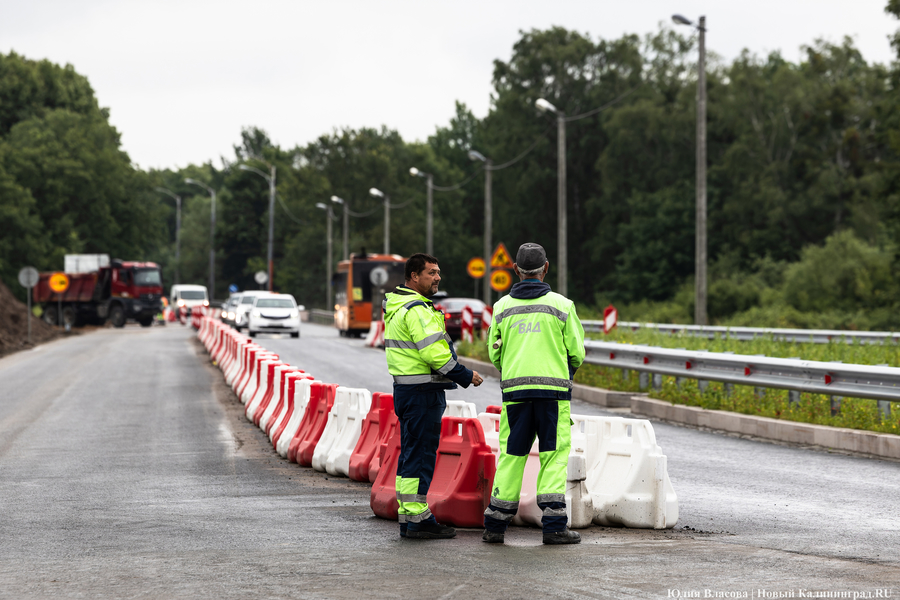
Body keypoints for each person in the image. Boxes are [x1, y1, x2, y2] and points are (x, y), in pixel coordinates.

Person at [482, 243, 585, 545]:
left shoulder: (501, 308)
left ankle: (495, 526)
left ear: (515, 269)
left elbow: (494, 353)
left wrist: (514, 370)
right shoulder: (562, 305)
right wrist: (563, 371)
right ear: (546, 268)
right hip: (553, 396)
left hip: (515, 395)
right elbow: (577, 352)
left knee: (512, 456)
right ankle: (553, 527)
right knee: (553, 456)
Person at [383, 253, 484, 539]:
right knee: (421, 456)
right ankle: (418, 519)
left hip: (408, 390)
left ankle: (409, 515)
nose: (438, 277)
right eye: (431, 272)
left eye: (438, 272)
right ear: (414, 276)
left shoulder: (399, 306)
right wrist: (465, 375)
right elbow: (434, 354)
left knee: (411, 454)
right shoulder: (417, 310)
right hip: (422, 393)